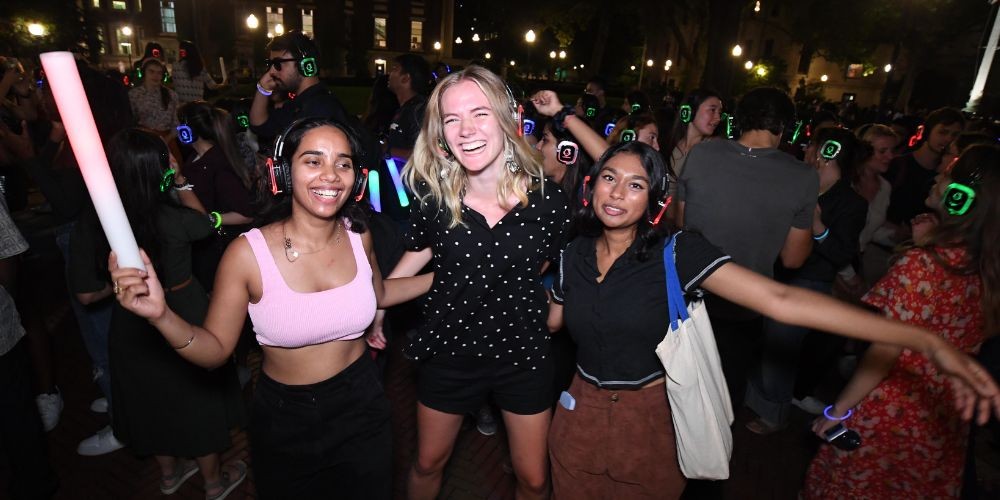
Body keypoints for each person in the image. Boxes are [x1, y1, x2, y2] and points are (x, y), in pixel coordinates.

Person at [546, 141, 1000, 499]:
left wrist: (927, 341)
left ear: (656, 200)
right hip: (577, 414)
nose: (618, 192)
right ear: (593, 185)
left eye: (636, 184)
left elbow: (781, 299)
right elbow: (552, 321)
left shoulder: (677, 253)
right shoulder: (572, 255)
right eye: (609, 177)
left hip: (649, 423)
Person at [111, 118, 431, 498]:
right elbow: (214, 351)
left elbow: (378, 295)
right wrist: (161, 315)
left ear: (357, 179)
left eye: (343, 163)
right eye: (313, 161)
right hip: (287, 416)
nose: (330, 175)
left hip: (363, 401)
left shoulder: (359, 237)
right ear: (283, 171)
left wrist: (445, 279)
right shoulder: (247, 255)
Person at [386, 65, 570, 500]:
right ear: (440, 132)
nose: (465, 129)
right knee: (428, 463)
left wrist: (553, 313)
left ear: (506, 117)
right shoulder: (434, 200)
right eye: (451, 119)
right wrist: (376, 309)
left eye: (480, 113)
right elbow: (411, 263)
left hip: (522, 354)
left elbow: (555, 267)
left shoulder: (549, 201)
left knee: (535, 478)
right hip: (449, 351)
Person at [804, 144, 1000, 499]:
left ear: (962, 197)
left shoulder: (924, 265)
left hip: (893, 410)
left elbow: (886, 350)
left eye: (948, 174)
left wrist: (838, 410)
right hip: (944, 414)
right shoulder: (988, 265)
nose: (938, 176)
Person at [71, 128, 247, 498]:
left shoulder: (93, 220)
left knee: (149, 402)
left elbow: (86, 294)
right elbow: (206, 224)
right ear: (158, 170)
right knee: (197, 401)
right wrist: (182, 182)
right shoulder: (172, 216)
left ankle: (168, 476)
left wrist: (124, 287)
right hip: (184, 311)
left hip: (130, 321)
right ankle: (214, 484)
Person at [677, 87, 817, 412]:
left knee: (678, 393)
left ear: (738, 120)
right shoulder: (803, 177)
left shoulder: (700, 154)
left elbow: (682, 223)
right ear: (785, 126)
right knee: (723, 401)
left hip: (686, 294)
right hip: (744, 305)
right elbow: (793, 258)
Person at [744, 128, 869, 433]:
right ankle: (756, 401)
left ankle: (774, 415)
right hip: (776, 274)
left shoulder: (852, 203)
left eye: (812, 145)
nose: (806, 149)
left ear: (827, 152)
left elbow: (841, 253)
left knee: (780, 348)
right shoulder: (800, 182)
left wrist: (817, 225)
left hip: (810, 283)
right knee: (764, 343)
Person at [175, 100, 255, 291]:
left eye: (180, 124)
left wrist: (211, 219)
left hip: (219, 250)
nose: (176, 128)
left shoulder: (217, 163)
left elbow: (247, 213)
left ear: (189, 130)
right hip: (206, 247)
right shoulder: (195, 159)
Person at [249, 31, 351, 149]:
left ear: (304, 64)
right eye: (270, 64)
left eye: (277, 64)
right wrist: (263, 89)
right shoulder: (299, 103)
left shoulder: (321, 109)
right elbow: (259, 126)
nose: (271, 72)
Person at [883, 107, 964, 241]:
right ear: (928, 131)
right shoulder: (897, 165)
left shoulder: (948, 177)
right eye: (943, 132)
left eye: (955, 135)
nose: (948, 139)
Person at [129, 58, 181, 158]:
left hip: (167, 141)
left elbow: (177, 123)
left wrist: (166, 139)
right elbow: (131, 121)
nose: (156, 76)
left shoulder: (171, 95)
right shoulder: (134, 94)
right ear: (144, 73)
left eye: (159, 73)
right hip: (144, 142)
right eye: (151, 72)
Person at [385, 53, 431, 160]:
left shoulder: (419, 110)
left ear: (405, 78)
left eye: (395, 69)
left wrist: (385, 150)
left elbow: (424, 155)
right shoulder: (405, 108)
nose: (389, 73)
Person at [172, 40, 227, 104]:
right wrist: (223, 84)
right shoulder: (200, 67)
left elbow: (175, 84)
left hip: (182, 106)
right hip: (198, 105)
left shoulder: (176, 66)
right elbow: (212, 86)